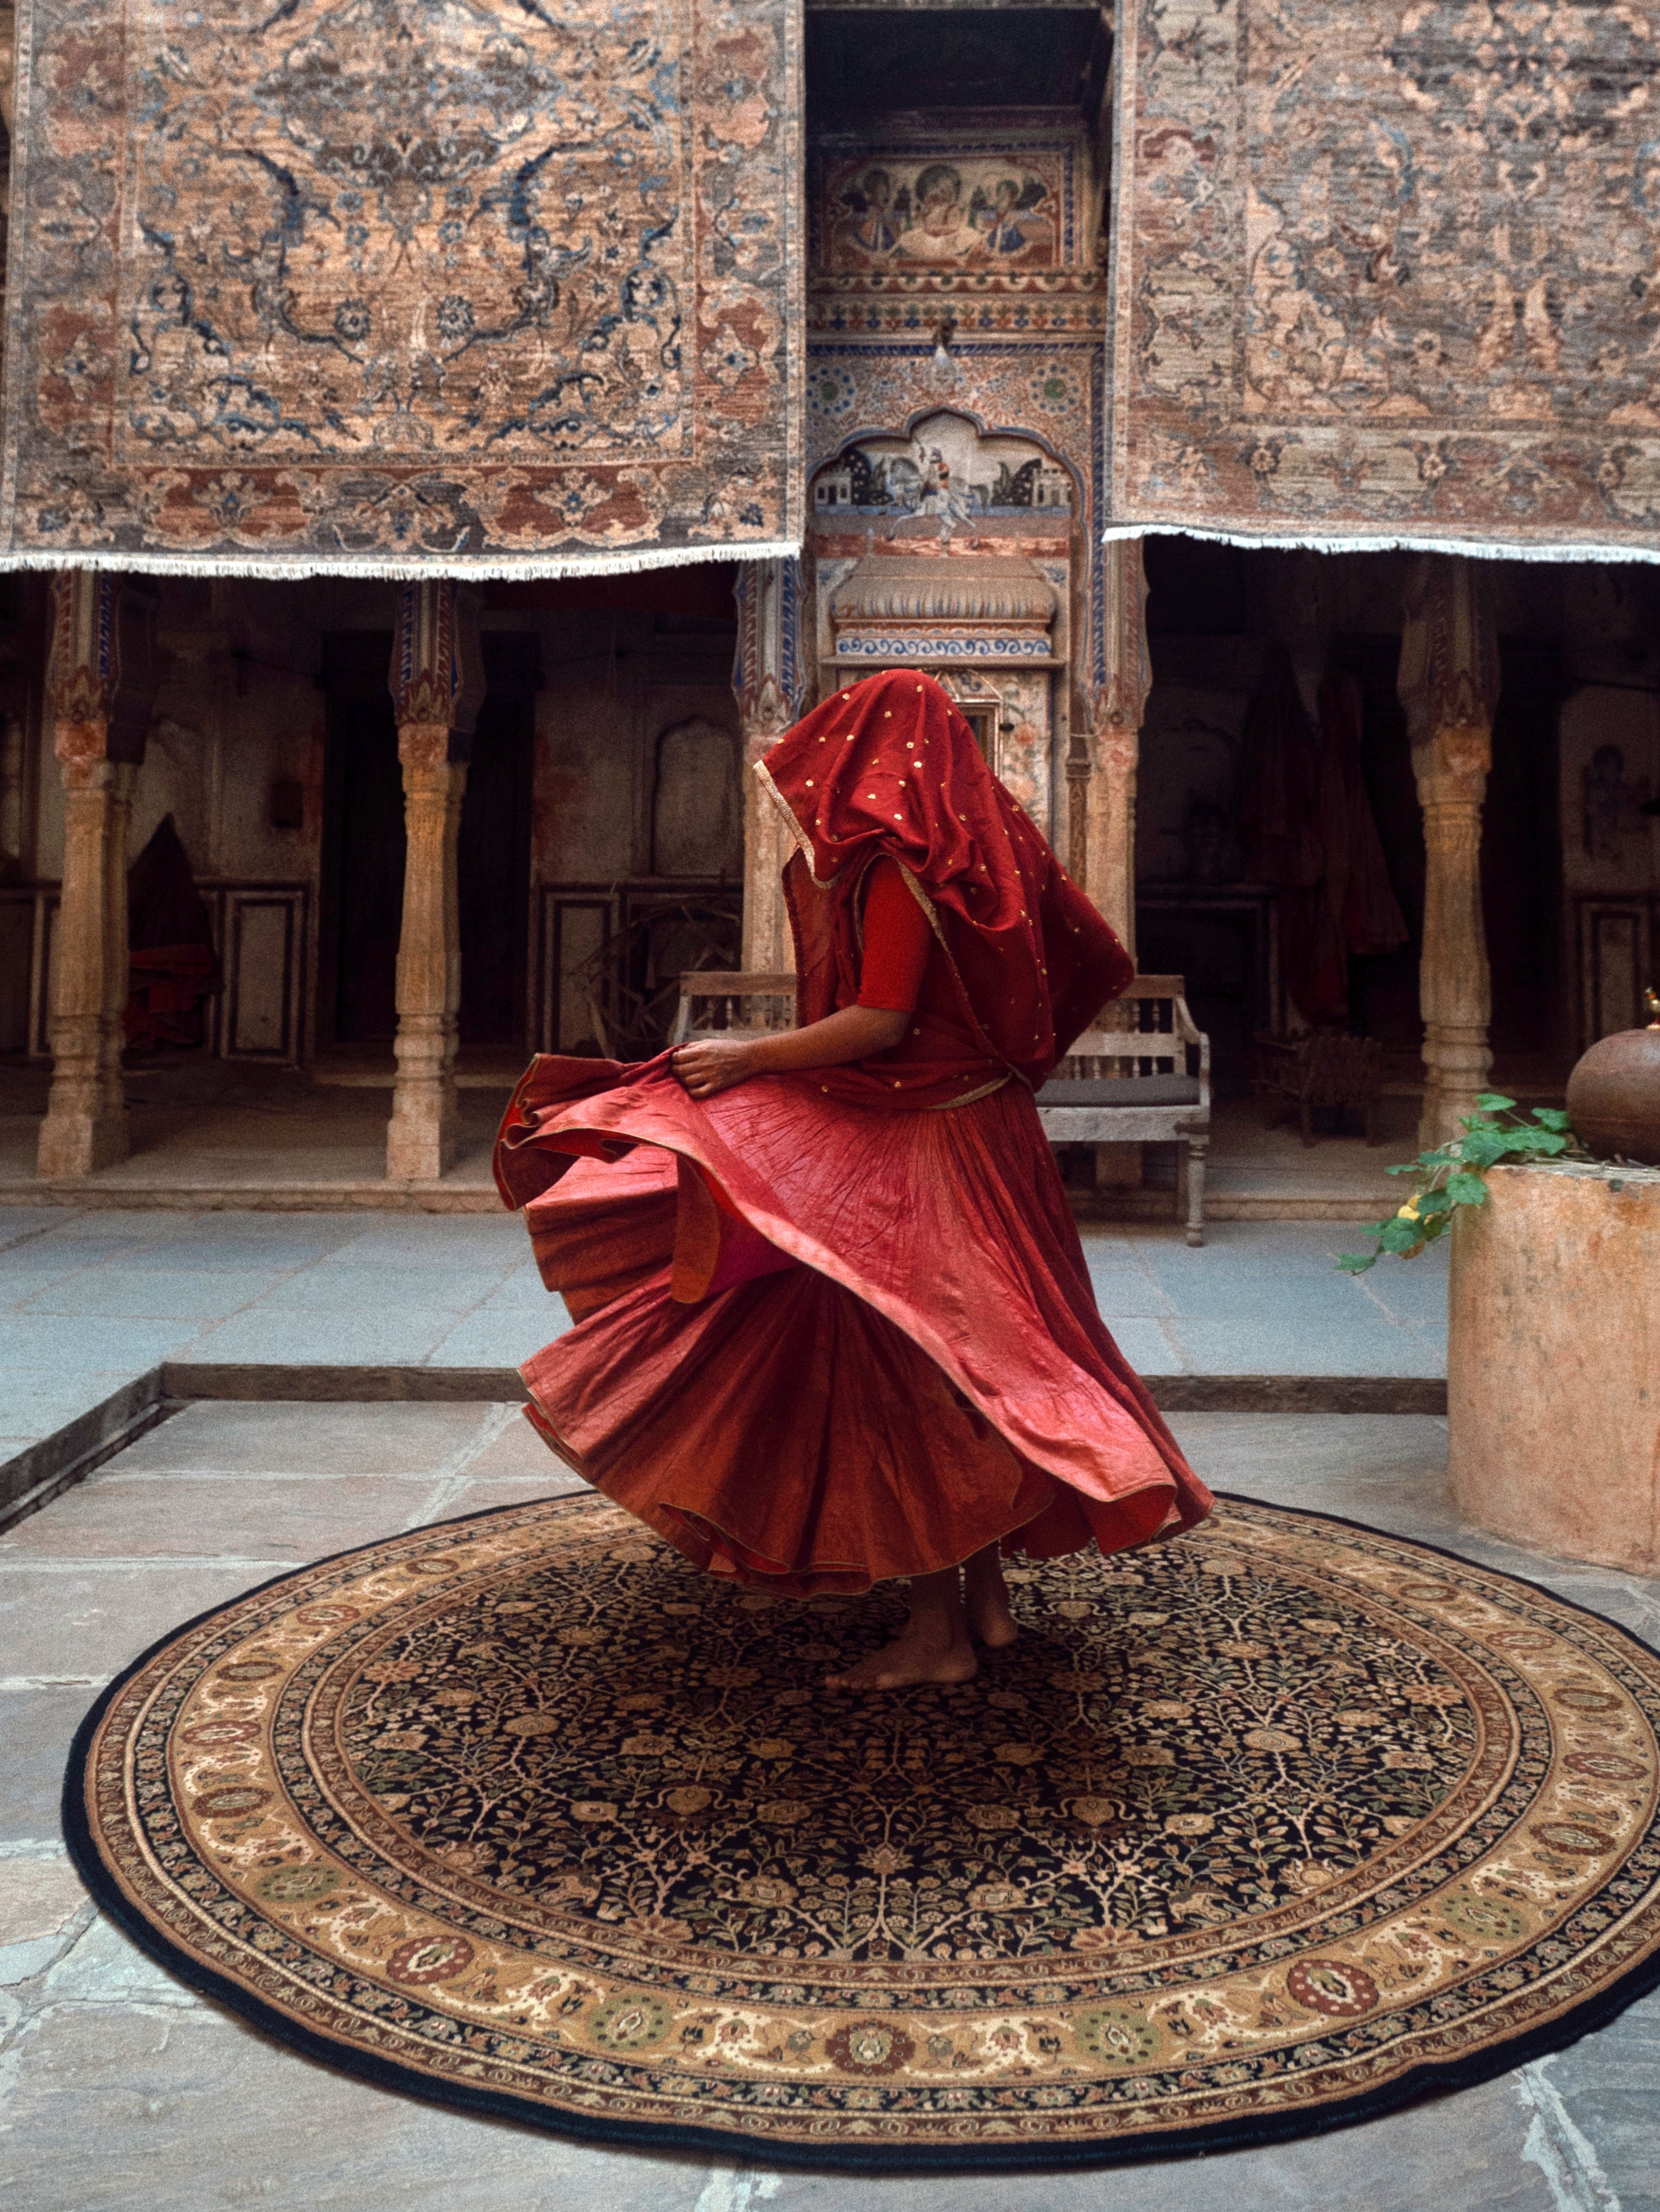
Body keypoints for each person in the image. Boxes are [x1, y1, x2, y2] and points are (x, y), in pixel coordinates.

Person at [495, 668, 1211, 1691]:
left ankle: (939, 1633)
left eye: (828, 759)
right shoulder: (970, 854)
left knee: (917, 1370)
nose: (814, 782)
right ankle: (988, 1603)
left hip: (926, 1152)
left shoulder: (891, 868)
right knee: (987, 1358)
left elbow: (879, 1021)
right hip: (985, 1134)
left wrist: (748, 1059)